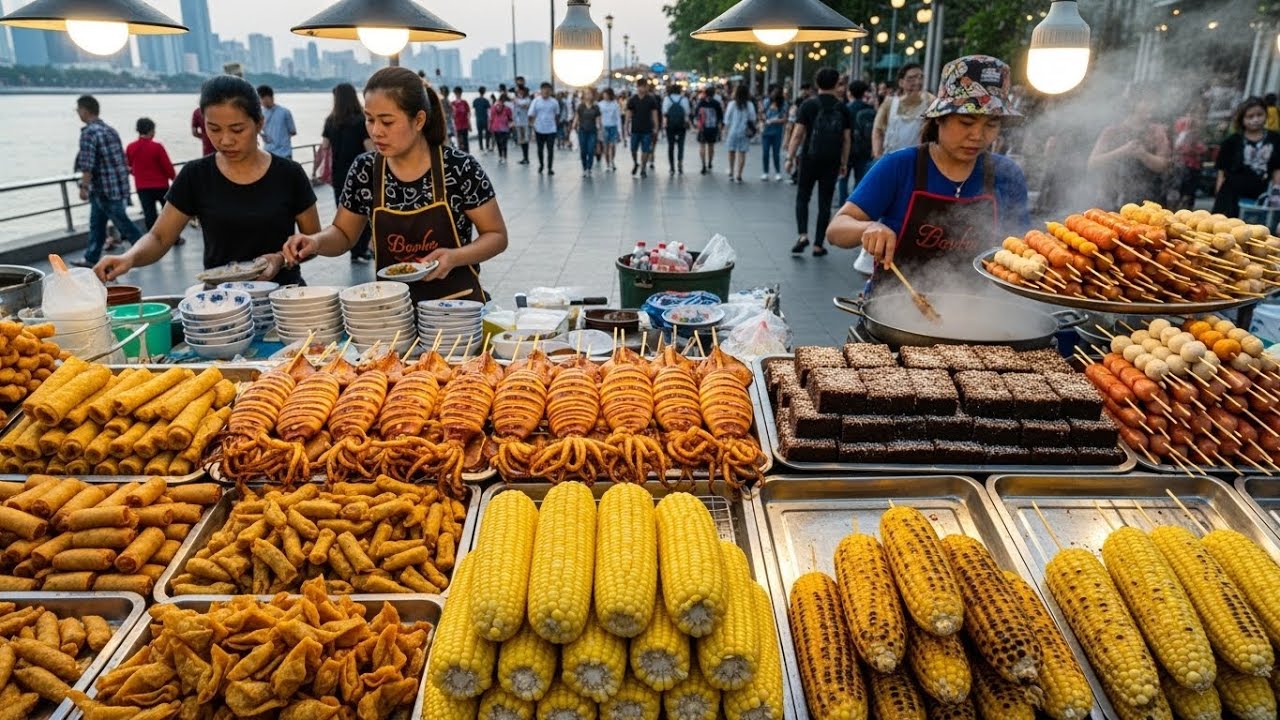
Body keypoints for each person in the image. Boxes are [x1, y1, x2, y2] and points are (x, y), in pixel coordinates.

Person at [284, 67, 508, 304]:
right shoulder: (365, 170)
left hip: (457, 306)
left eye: (387, 122)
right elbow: (343, 234)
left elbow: (496, 235)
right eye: (370, 119)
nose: (376, 131)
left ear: (419, 120)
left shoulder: (459, 168)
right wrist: (316, 242)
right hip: (393, 310)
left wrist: (455, 256)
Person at [95, 76, 320, 284]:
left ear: (259, 124)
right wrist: (129, 258)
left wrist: (281, 258)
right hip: (220, 305)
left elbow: (312, 243)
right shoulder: (195, 175)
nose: (225, 140)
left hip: (285, 300)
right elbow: (159, 237)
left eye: (237, 129)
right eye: (213, 129)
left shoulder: (290, 174)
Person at [827, 55, 1029, 286]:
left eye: (991, 124)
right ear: (939, 119)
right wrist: (868, 227)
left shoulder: (1007, 174)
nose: (977, 135)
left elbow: (1020, 246)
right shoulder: (899, 165)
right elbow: (836, 230)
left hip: (975, 310)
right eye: (966, 122)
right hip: (893, 308)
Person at [786, 68, 852, 257]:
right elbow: (847, 139)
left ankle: (802, 235)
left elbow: (797, 134)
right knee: (825, 202)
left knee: (803, 197)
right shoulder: (843, 108)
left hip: (809, 157)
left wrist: (789, 157)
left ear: (817, 83)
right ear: (836, 83)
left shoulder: (808, 105)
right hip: (831, 160)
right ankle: (818, 245)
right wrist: (844, 162)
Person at [73, 96, 142, 267]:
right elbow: (119, 160)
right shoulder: (110, 130)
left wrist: (83, 187)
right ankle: (91, 258)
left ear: (84, 110)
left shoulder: (89, 133)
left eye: (78, 110)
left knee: (122, 222)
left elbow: (87, 164)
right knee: (97, 223)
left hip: (103, 188)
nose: (78, 114)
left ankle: (141, 250)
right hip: (116, 185)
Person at [1087, 89, 1171, 209]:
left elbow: (1163, 165)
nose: (1152, 106)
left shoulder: (1157, 131)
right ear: (1132, 104)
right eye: (1147, 102)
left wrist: (1143, 154)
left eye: (1154, 102)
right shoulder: (1113, 131)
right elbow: (1093, 163)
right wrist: (1122, 151)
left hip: (1149, 199)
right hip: (1112, 196)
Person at [322, 82, 374, 263]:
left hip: (339, 173)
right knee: (364, 213)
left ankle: (354, 250)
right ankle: (361, 249)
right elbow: (369, 148)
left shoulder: (331, 120)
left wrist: (317, 169)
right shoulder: (361, 120)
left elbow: (324, 147)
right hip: (362, 173)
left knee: (345, 214)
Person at [1212, 97, 1280, 218]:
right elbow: (1222, 172)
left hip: (1259, 196)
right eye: (1250, 116)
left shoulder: (1275, 140)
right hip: (1230, 196)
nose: (1256, 119)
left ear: (1266, 114)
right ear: (1242, 119)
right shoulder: (1232, 141)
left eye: (1259, 115)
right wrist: (1218, 196)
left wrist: (1276, 192)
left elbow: (1277, 169)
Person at [873, 63, 933, 161]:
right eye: (911, 78)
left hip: (916, 161)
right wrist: (877, 155)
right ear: (901, 82)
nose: (917, 82)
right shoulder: (889, 103)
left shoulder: (930, 103)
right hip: (891, 159)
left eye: (920, 77)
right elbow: (877, 130)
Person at [125, 117, 176, 232]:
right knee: (168, 214)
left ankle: (154, 241)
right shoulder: (157, 147)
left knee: (149, 215)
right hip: (161, 186)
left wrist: (138, 174)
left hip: (142, 187)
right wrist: (175, 180)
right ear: (150, 130)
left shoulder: (130, 147)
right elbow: (168, 167)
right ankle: (174, 238)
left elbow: (128, 167)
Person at [838, 80, 877, 203]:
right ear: (864, 93)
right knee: (860, 179)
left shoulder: (845, 109)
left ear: (850, 92)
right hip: (864, 150)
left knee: (843, 178)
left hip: (847, 149)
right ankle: (854, 204)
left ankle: (842, 205)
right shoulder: (870, 110)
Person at [1172, 101, 1207, 209]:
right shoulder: (1182, 124)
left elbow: (1203, 148)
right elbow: (1177, 145)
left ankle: (1186, 210)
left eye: (1201, 114)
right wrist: (1186, 130)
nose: (1197, 117)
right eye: (1194, 113)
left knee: (1189, 195)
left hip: (1195, 166)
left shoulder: (1201, 127)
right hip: (1181, 164)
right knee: (1177, 193)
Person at [626, 78, 661, 178]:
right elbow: (628, 114)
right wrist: (626, 126)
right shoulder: (632, 100)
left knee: (645, 150)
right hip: (635, 128)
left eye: (644, 86)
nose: (643, 88)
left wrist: (656, 127)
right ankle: (636, 163)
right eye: (641, 86)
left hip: (647, 129)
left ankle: (643, 168)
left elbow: (654, 114)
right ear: (637, 87)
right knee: (633, 149)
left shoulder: (651, 100)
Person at [723, 85, 756, 183]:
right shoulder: (749, 104)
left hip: (732, 132)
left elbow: (727, 119)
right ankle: (739, 175)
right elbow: (753, 118)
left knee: (731, 151)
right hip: (744, 132)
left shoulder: (732, 104)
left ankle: (731, 173)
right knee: (742, 153)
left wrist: (725, 130)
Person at [257, 85, 296, 159]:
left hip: (282, 154)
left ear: (269, 97)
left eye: (261, 98)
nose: (260, 102)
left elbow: (293, 132)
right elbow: (292, 131)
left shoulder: (285, 112)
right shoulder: (285, 112)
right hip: (272, 153)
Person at [529, 82, 560, 175]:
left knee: (550, 149)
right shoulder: (536, 101)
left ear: (550, 91)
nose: (546, 91)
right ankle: (541, 165)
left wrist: (556, 125)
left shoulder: (554, 102)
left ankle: (550, 167)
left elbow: (557, 114)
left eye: (548, 89)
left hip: (551, 129)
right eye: (544, 89)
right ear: (541, 90)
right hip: (539, 129)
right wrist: (532, 126)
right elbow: (531, 114)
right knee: (540, 149)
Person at [760, 86, 788, 181]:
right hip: (766, 131)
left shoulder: (783, 104)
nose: (773, 95)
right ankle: (765, 172)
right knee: (765, 152)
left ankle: (778, 172)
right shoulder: (767, 102)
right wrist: (764, 118)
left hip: (777, 132)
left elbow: (784, 119)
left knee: (776, 153)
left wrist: (773, 121)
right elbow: (762, 113)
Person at [663, 84, 692, 175]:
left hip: (670, 125)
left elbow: (664, 112)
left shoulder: (667, 99)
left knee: (671, 146)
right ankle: (680, 163)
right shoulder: (684, 99)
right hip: (681, 125)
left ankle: (672, 167)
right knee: (681, 145)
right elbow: (687, 112)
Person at [574, 88, 603, 177]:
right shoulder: (581, 106)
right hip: (582, 130)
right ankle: (584, 168)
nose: (588, 95)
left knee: (590, 150)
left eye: (589, 93)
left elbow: (598, 119)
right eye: (586, 93)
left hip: (592, 131)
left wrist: (599, 127)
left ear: (592, 95)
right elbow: (577, 117)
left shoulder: (596, 107)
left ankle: (589, 168)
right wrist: (573, 125)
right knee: (583, 151)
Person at [696, 86, 724, 176]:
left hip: (702, 128)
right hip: (713, 127)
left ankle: (703, 164)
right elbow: (720, 117)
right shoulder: (716, 103)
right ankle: (710, 162)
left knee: (702, 146)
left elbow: (696, 114)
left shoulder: (701, 102)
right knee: (711, 146)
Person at [599, 88, 622, 172]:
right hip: (604, 127)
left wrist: (619, 130)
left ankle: (612, 161)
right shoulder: (600, 104)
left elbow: (618, 117)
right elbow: (599, 117)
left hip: (613, 127)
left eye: (606, 94)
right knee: (605, 146)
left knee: (612, 146)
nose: (605, 96)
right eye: (604, 94)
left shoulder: (615, 104)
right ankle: (607, 164)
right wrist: (599, 128)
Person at [489, 93, 514, 164]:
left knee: (498, 143)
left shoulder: (494, 106)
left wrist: (490, 127)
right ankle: (505, 157)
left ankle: (500, 157)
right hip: (505, 128)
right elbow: (510, 118)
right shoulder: (507, 108)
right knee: (504, 143)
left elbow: (491, 118)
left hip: (496, 127)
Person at [512, 85, 532, 165]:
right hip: (518, 122)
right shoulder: (518, 99)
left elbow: (524, 105)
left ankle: (526, 158)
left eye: (519, 91)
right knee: (521, 141)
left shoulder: (527, 99)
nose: (518, 92)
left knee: (525, 141)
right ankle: (524, 158)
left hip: (524, 123)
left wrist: (516, 100)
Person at [450, 87, 471, 154]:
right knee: (459, 142)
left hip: (464, 125)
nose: (458, 94)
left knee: (465, 141)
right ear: (455, 93)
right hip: (457, 125)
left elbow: (468, 113)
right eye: (457, 93)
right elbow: (451, 115)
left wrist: (469, 124)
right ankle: (461, 155)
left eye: (459, 93)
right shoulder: (452, 103)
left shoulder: (464, 102)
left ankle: (467, 155)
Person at [473, 87, 491, 152]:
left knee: (480, 134)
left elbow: (475, 111)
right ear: (484, 92)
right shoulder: (486, 101)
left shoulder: (475, 100)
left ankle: (481, 147)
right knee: (487, 133)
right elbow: (489, 111)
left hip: (478, 119)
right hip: (485, 119)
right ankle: (487, 146)